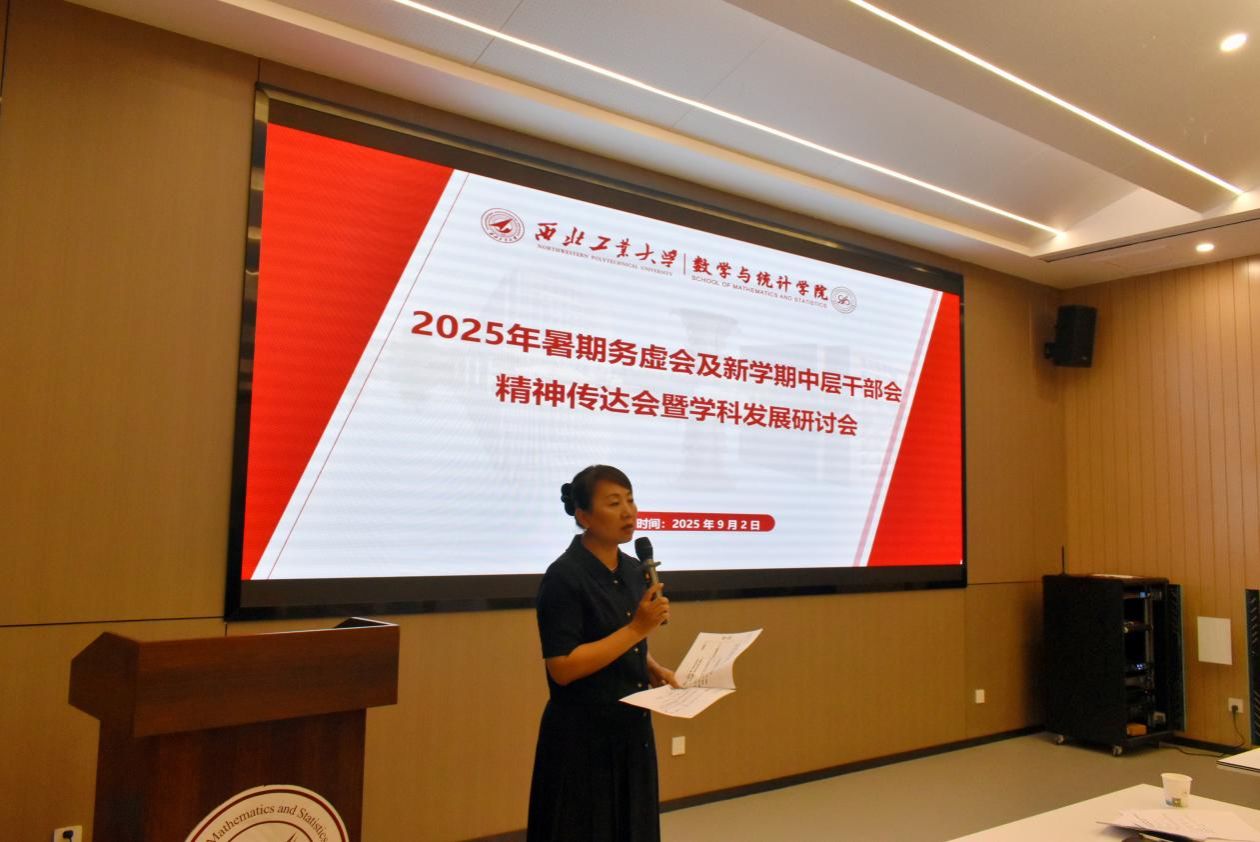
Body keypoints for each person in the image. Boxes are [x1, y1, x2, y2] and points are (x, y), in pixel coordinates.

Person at [527, 465, 677, 842]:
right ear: (584, 516)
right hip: (583, 739)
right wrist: (637, 629)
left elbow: (616, 638)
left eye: (630, 500)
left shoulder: (633, 570)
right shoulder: (564, 576)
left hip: (632, 730)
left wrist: (652, 666)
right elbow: (562, 667)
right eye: (614, 503)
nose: (629, 511)